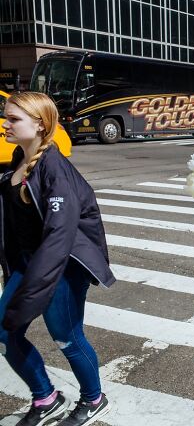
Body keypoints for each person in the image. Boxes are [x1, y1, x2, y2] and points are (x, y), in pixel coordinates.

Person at [0, 92, 115, 426]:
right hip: (29, 263)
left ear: (39, 124)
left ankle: (94, 399)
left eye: (13, 119)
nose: (5, 124)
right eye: (6, 117)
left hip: (63, 266)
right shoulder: (18, 159)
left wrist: (33, 294)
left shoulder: (55, 168)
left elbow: (58, 238)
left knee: (66, 336)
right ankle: (46, 398)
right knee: (6, 332)